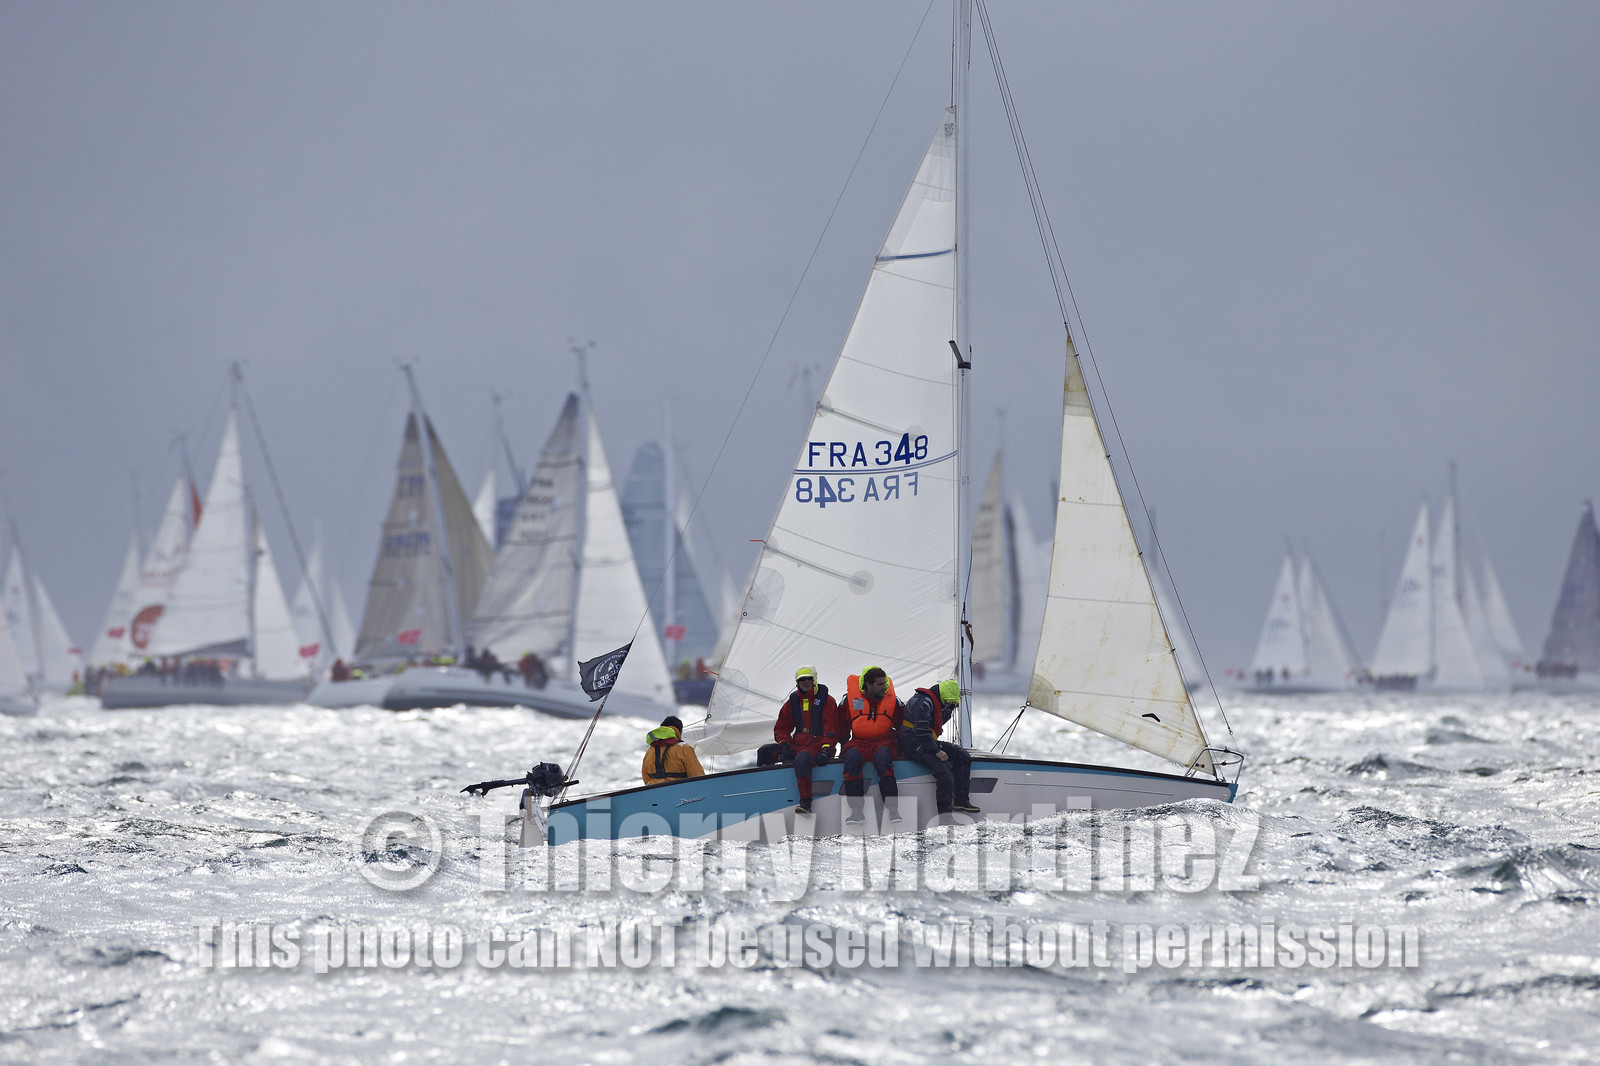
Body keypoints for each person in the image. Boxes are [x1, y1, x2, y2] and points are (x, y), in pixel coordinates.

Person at [758, 666, 843, 816]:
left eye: (808, 679)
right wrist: (784, 743)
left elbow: (832, 730)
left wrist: (826, 749)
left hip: (818, 745)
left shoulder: (827, 701)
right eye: (801, 680)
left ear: (814, 680)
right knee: (764, 752)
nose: (806, 682)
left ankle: (805, 803)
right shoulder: (792, 703)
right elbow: (781, 728)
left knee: (802, 760)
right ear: (797, 683)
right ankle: (763, 795)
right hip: (798, 745)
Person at [898, 678, 978, 815]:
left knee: (962, 755)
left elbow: (937, 723)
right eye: (948, 702)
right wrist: (937, 751)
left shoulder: (938, 702)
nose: (948, 705)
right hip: (912, 743)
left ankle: (961, 800)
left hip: (926, 741)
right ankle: (945, 816)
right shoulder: (923, 702)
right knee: (945, 774)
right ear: (943, 697)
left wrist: (951, 707)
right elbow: (922, 731)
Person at [841, 666, 900, 824]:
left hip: (884, 741)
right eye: (880, 684)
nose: (884, 687)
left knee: (884, 759)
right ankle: (856, 812)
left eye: (885, 684)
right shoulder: (849, 701)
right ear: (868, 685)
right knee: (851, 759)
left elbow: (903, 725)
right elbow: (841, 725)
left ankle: (893, 810)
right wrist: (839, 746)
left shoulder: (894, 701)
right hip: (858, 742)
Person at [640, 715, 706, 785]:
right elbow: (697, 775)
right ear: (679, 731)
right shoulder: (684, 748)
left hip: (655, 793)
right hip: (680, 791)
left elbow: (646, 778)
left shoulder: (650, 751)